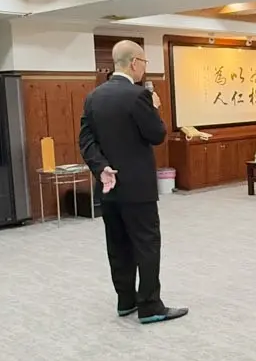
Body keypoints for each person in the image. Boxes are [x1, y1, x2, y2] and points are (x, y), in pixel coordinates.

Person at [78, 40, 186, 325]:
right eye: (145, 62)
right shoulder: (139, 96)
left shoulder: (93, 97)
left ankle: (125, 300)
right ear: (135, 62)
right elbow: (156, 135)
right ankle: (150, 306)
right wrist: (155, 108)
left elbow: (85, 141)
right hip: (138, 187)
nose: (144, 68)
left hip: (108, 185)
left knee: (118, 244)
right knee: (146, 244)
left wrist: (101, 168)